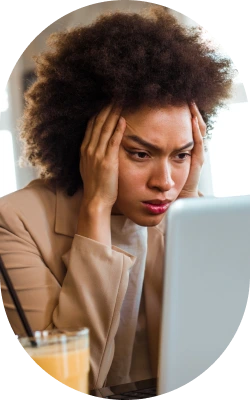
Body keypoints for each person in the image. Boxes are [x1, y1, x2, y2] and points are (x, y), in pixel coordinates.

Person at [0, 5, 234, 391]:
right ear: (87, 145)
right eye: (140, 154)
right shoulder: (16, 221)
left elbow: (207, 352)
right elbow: (67, 380)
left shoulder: (190, 212)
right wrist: (95, 211)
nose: (165, 182)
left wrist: (188, 207)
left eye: (181, 155)